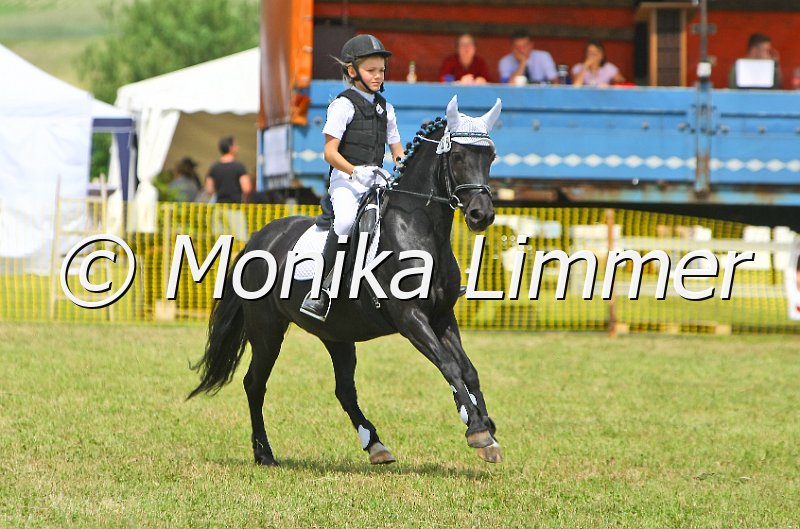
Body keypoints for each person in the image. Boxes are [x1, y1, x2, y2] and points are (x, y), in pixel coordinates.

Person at [300, 34, 404, 322]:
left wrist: (402, 164)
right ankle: (319, 290)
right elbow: (329, 153)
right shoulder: (342, 105)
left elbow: (396, 149)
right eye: (371, 70)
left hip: (376, 178)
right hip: (346, 180)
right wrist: (355, 171)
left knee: (406, 215)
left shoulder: (387, 108)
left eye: (381, 70)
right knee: (345, 221)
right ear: (352, 71)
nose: (378, 76)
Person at [205, 135, 252, 203]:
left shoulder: (214, 167)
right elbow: (247, 188)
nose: (238, 148)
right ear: (231, 148)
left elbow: (209, 190)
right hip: (235, 208)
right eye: (236, 145)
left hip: (220, 207)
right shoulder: (239, 167)